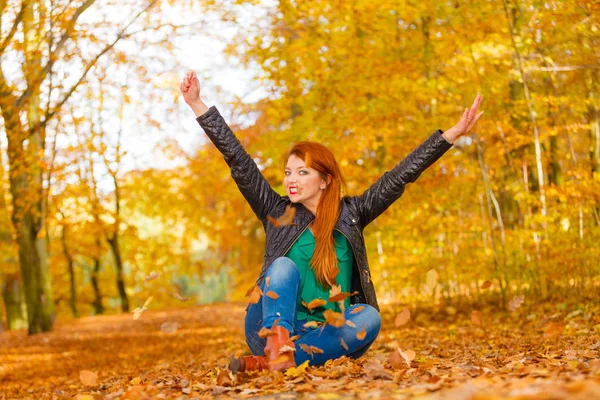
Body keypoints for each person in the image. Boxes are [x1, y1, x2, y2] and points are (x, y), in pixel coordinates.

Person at [180, 70, 483, 373]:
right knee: (283, 267)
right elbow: (239, 161)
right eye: (288, 172)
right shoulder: (276, 211)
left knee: (369, 318)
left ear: (325, 180)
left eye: (302, 172)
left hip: (324, 332)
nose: (291, 181)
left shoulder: (352, 213)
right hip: (268, 324)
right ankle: (275, 349)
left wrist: (450, 136)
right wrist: (197, 104)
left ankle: (273, 362)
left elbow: (399, 177)